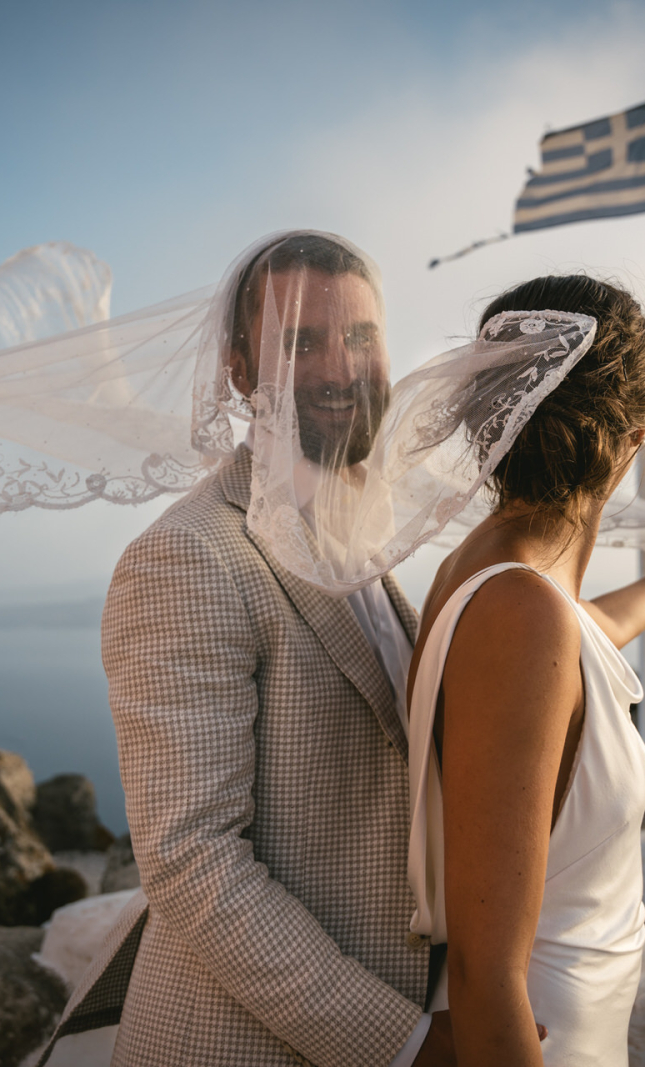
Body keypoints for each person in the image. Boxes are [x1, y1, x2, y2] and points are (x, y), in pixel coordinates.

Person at [51, 232, 458, 1066]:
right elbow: (191, 861)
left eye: (362, 336)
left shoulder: (367, 545)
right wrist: (405, 1046)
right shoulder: (191, 556)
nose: (343, 369)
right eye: (301, 342)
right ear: (240, 369)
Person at [405, 275, 645, 1066]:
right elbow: (484, 973)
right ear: (635, 435)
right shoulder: (519, 613)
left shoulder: (496, 579)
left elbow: (588, 639)